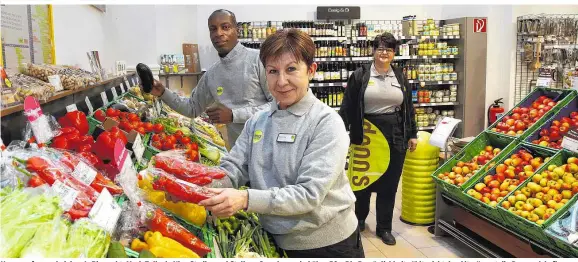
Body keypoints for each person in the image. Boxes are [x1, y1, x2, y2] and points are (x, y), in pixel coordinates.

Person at [198, 29, 364, 258]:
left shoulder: (326, 123)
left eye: (291, 69)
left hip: (326, 243)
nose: (281, 81)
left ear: (311, 70)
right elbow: (234, 167)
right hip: (274, 238)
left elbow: (308, 194)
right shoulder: (258, 121)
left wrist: (246, 199)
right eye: (273, 71)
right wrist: (197, 188)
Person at [338, 32, 418, 246]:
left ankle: (384, 228)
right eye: (381, 49)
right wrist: (339, 133)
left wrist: (412, 134)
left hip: (395, 136)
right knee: (363, 181)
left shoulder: (400, 76)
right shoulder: (361, 75)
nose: (384, 53)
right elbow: (347, 106)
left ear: (394, 53)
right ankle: (359, 219)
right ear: (373, 51)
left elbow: (408, 108)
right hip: (366, 135)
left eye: (389, 50)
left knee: (389, 185)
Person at [150, 9, 273, 145]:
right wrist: (162, 92)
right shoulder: (212, 74)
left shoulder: (259, 60)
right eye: (213, 29)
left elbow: (278, 105)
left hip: (267, 148)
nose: (218, 33)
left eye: (225, 27)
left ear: (237, 30)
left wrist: (234, 115)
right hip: (238, 153)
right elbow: (192, 108)